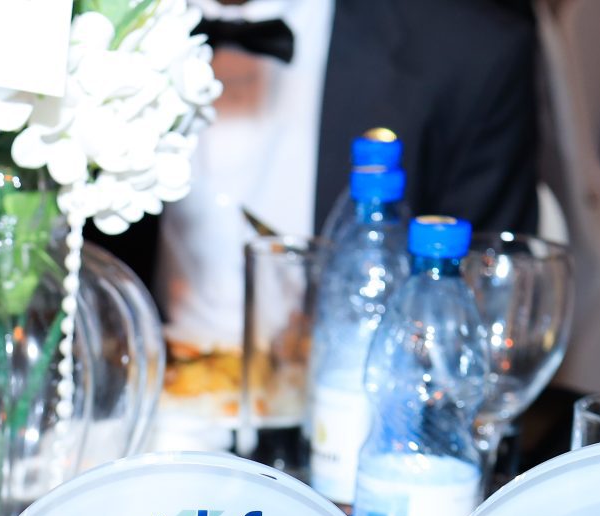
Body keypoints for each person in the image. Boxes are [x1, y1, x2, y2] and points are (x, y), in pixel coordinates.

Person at [115, 0, 542, 419]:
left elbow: (487, 311)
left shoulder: (471, 49)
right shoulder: (96, 28)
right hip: (132, 404)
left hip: (347, 419)